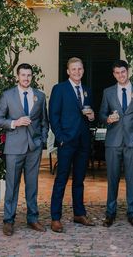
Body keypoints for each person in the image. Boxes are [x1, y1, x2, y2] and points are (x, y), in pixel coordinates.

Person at [0, 63, 49, 236]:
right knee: (12, 185)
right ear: (17, 76)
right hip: (14, 147)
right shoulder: (7, 95)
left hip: (34, 148)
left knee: (32, 185)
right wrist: (14, 123)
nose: (26, 78)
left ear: (32, 77)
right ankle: (8, 220)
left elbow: (44, 122)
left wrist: (42, 141)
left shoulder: (39, 96)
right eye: (23, 75)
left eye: (29, 75)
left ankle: (32, 218)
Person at [99, 60, 133, 227]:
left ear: (128, 72)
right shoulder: (108, 92)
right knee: (112, 178)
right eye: (117, 73)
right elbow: (101, 113)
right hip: (113, 142)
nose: (121, 75)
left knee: (131, 178)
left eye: (123, 72)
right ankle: (110, 213)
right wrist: (107, 119)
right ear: (114, 74)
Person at [49, 57, 95, 233]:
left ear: (83, 70)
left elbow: (89, 115)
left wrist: (91, 117)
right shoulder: (59, 89)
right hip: (66, 141)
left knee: (79, 180)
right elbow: (53, 115)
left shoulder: (87, 90)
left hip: (83, 142)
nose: (77, 72)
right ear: (68, 71)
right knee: (61, 180)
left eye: (80, 69)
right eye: (73, 69)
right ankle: (55, 217)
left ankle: (79, 213)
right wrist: (60, 138)